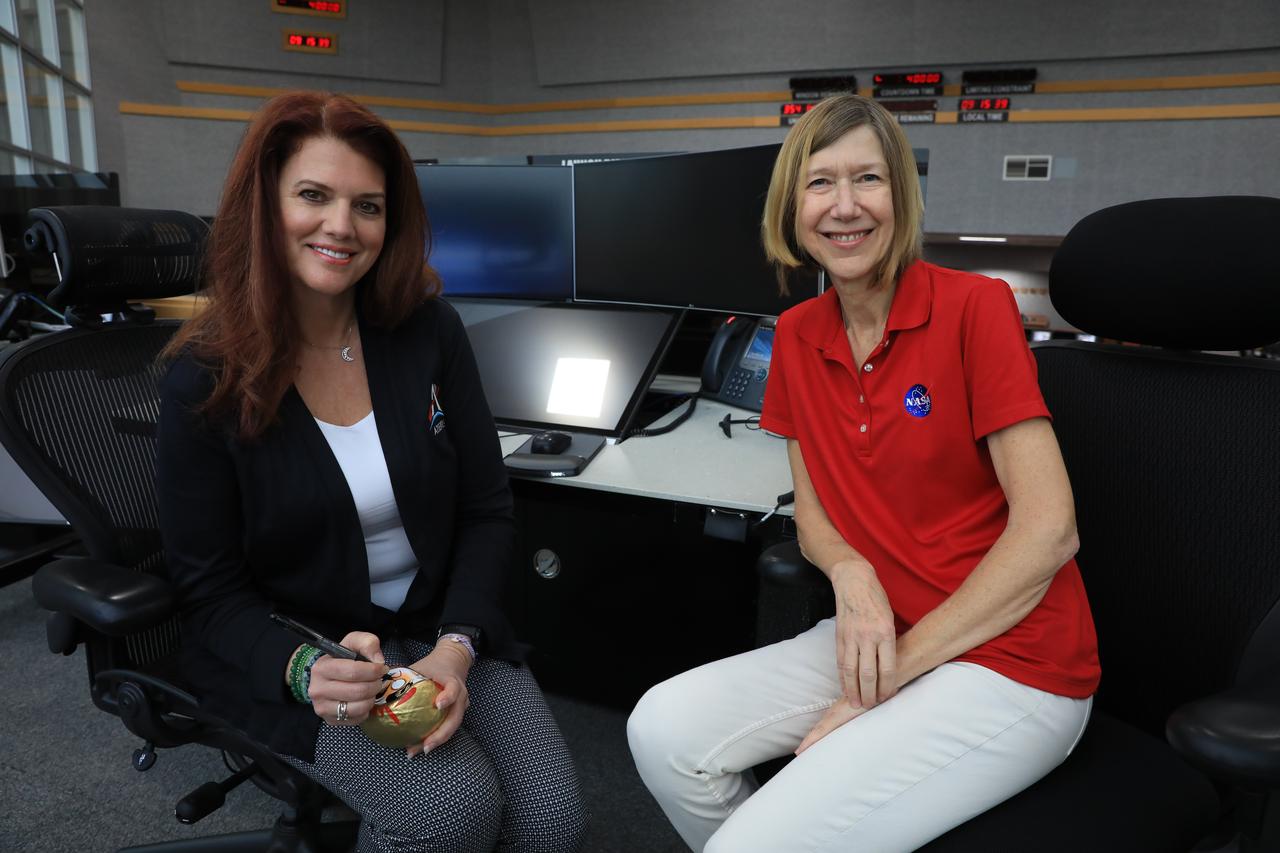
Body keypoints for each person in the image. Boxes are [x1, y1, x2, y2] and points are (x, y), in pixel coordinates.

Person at [627, 94, 1099, 852]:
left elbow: (1050, 531)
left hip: (1016, 660)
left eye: (867, 180)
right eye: (820, 184)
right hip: (882, 630)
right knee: (662, 730)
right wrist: (850, 572)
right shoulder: (795, 334)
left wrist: (876, 688)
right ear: (793, 206)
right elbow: (813, 513)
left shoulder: (976, 307)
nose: (844, 207)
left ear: (900, 197)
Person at [156, 91, 587, 853]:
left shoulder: (426, 331)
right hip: (302, 649)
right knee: (450, 813)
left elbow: (487, 507)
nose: (340, 227)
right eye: (313, 196)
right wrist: (301, 670)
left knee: (552, 823)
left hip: (440, 623)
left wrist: (456, 646)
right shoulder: (205, 375)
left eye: (368, 206)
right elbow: (208, 588)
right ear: (266, 204)